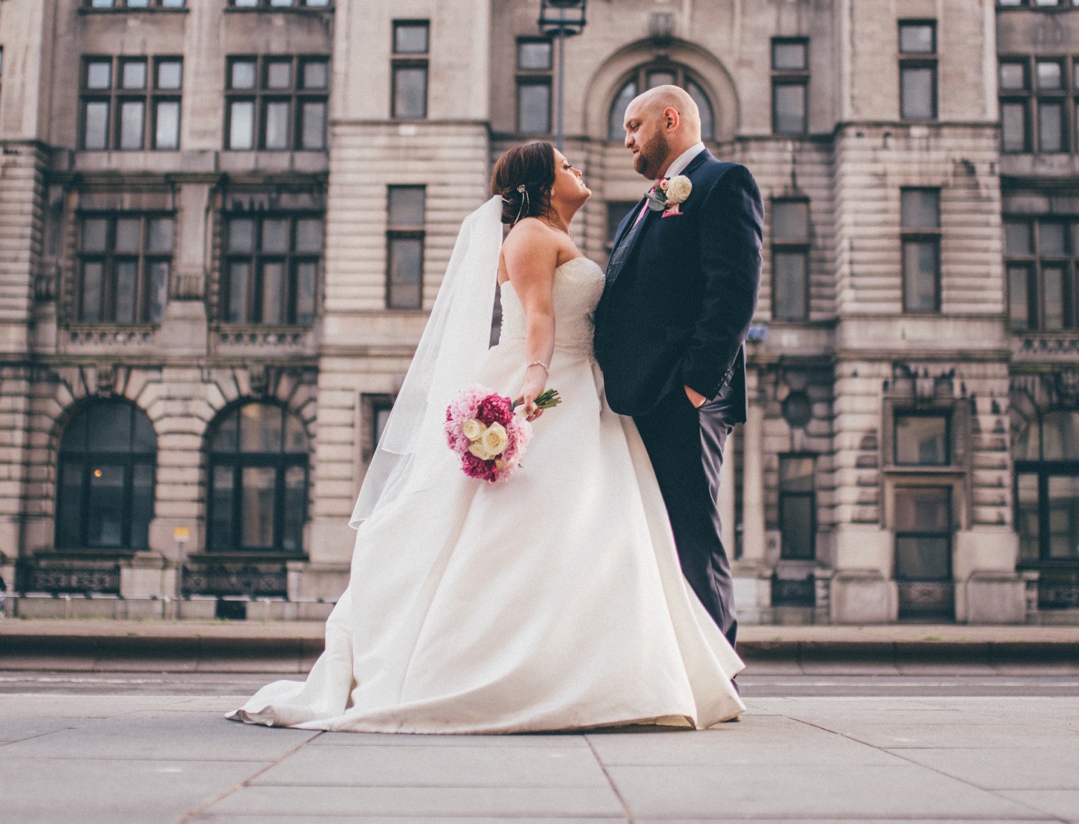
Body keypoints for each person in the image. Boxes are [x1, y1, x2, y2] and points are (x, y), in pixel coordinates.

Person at [227, 140, 743, 734]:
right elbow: (539, 317)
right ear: (541, 183)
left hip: (584, 389)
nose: (578, 168)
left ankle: (589, 667)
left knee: (593, 532)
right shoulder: (527, 234)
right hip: (550, 385)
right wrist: (537, 380)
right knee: (549, 529)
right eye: (565, 165)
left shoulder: (555, 234)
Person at [596, 84, 763, 649]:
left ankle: (717, 669)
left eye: (634, 127)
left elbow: (733, 293)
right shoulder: (647, 203)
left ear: (670, 120)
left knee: (692, 534)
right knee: (655, 536)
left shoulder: (723, 183)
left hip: (682, 399)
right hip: (642, 397)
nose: (626, 142)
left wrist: (694, 385)